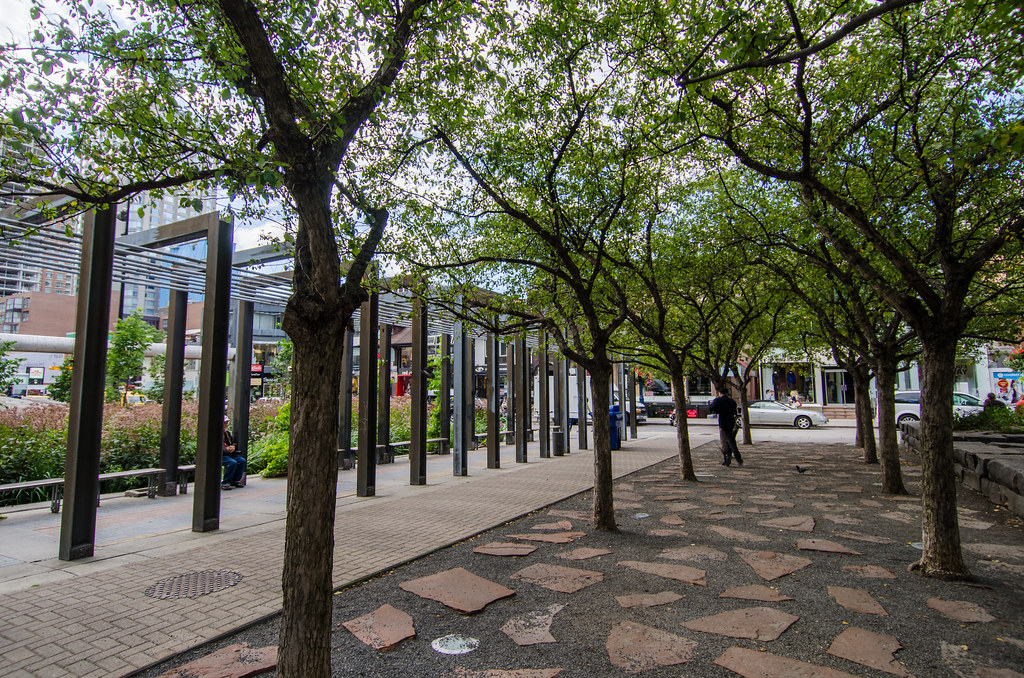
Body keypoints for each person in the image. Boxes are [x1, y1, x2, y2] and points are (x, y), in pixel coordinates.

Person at [708, 390, 743, 466]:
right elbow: (735, 412)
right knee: (729, 440)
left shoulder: (718, 400)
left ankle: (737, 458)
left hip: (723, 422)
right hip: (731, 422)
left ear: (720, 393)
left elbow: (711, 408)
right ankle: (728, 459)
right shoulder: (732, 401)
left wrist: (717, 410)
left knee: (729, 441)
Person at [222, 418, 246, 490]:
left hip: (229, 455)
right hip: (222, 456)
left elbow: (233, 442)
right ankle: (225, 482)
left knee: (242, 461)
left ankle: (235, 480)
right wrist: (226, 450)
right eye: (225, 423)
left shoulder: (227, 433)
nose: (227, 424)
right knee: (232, 462)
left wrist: (233, 447)